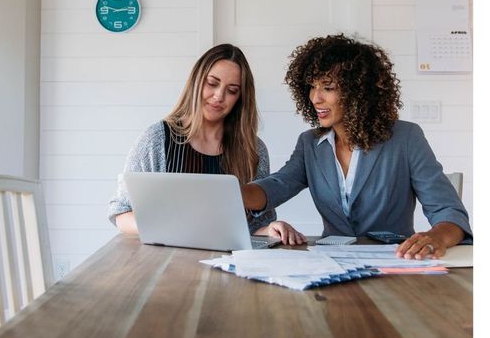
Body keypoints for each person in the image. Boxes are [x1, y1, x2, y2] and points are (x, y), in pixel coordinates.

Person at [242, 34, 472, 259]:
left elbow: (448, 212)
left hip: (395, 264)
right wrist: (232, 193)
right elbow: (277, 186)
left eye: (328, 87)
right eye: (312, 86)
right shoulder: (310, 143)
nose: (315, 98)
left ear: (359, 91)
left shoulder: (406, 138)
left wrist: (436, 237)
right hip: (332, 264)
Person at [108, 43, 300, 240]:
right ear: (197, 81)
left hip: (230, 262)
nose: (219, 96)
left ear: (240, 98)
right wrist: (170, 228)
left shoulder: (253, 149)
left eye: (232, 90)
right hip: (170, 260)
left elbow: (254, 227)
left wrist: (270, 229)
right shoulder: (157, 139)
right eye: (212, 83)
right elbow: (121, 213)